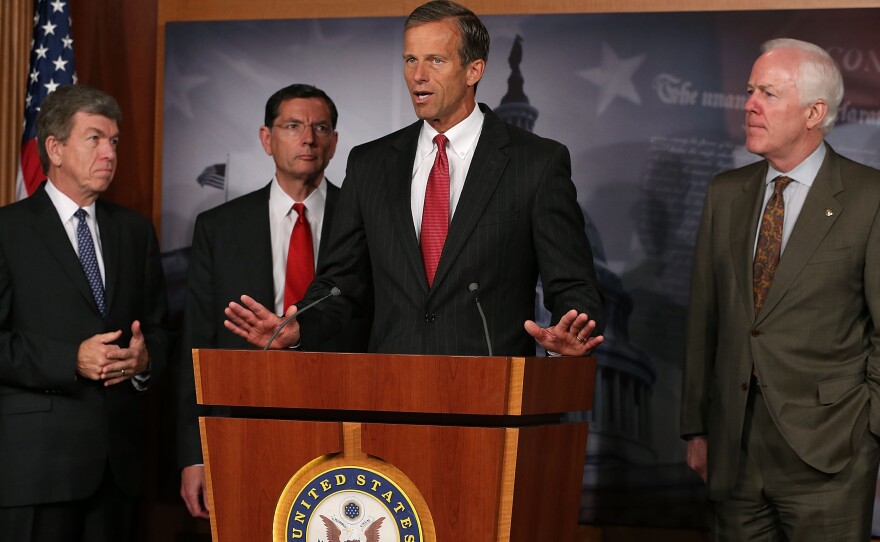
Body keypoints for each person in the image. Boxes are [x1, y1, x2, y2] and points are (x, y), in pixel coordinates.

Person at [225, 0, 604, 358]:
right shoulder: (371, 163)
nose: (417, 76)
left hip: (490, 399)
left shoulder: (535, 162)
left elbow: (573, 285)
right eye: (410, 60)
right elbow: (341, 283)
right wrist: (299, 326)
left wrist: (568, 336)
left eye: (435, 60)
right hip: (390, 397)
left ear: (474, 70)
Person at [681, 38, 880, 541]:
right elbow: (706, 318)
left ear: (814, 112)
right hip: (733, 454)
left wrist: (868, 431)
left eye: (767, 93)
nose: (748, 104)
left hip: (831, 454)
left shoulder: (869, 198)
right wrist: (697, 429)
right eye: (749, 90)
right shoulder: (726, 193)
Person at [176, 84, 371, 518]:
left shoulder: (368, 221)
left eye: (321, 127)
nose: (309, 138)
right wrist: (195, 452)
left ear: (335, 142)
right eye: (293, 126)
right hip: (244, 428)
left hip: (344, 425)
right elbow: (197, 344)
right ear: (267, 139)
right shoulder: (219, 227)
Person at [0, 85, 170, 541]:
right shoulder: (7, 231)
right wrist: (69, 359)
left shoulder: (134, 232)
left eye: (114, 141)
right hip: (37, 472)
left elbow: (158, 329)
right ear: (55, 148)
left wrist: (144, 360)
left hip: (118, 473)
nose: (109, 153)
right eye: (94, 138)